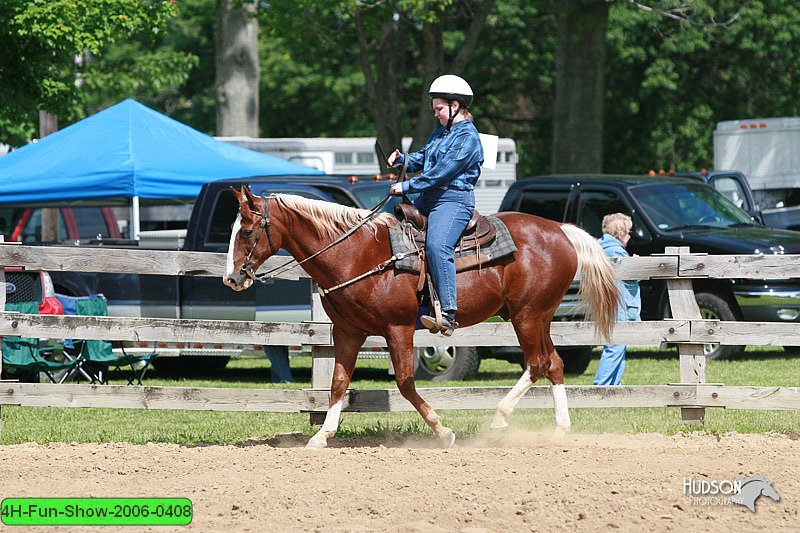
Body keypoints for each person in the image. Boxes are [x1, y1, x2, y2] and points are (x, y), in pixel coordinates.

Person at [387, 74, 484, 336]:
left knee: (436, 246)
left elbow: (441, 172)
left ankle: (449, 313)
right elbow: (425, 158)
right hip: (430, 199)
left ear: (456, 106)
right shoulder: (442, 133)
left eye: (439, 109)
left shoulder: (468, 138)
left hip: (453, 200)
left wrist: (406, 186)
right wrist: (402, 160)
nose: (436, 114)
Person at [594, 213, 641, 385]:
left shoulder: (601, 248)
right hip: (618, 304)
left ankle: (614, 384)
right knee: (615, 345)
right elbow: (629, 277)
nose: (629, 236)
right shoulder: (615, 251)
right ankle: (602, 385)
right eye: (628, 232)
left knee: (619, 344)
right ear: (620, 234)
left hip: (609, 303)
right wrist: (635, 265)